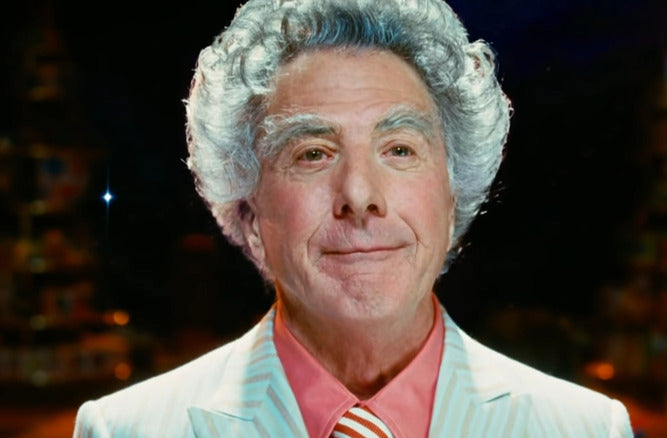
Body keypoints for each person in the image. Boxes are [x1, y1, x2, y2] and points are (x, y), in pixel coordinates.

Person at [73, 0, 634, 436]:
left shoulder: (586, 429)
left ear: (453, 198)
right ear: (250, 216)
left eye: (400, 150)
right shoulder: (125, 431)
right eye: (313, 153)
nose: (360, 195)